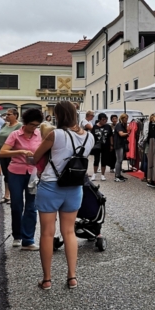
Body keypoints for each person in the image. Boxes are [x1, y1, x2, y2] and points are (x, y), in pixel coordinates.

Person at [33, 101, 95, 290]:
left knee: (47, 233)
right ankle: (72, 277)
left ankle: (47, 280)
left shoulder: (55, 134)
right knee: (69, 232)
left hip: (51, 185)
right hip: (75, 187)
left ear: (59, 115)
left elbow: (35, 157)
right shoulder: (89, 137)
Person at [0, 108, 43, 250]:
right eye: (31, 124)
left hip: (33, 173)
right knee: (17, 205)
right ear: (25, 122)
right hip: (16, 172)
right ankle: (17, 236)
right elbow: (2, 153)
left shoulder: (40, 135)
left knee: (31, 206)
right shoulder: (15, 134)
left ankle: (28, 239)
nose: (33, 128)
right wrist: (20, 151)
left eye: (36, 125)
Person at [0, 109, 22, 204]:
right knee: (6, 175)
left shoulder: (19, 126)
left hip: (11, 154)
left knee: (13, 176)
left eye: (9, 114)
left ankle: (14, 196)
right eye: (6, 114)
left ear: (15, 115)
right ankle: (6, 196)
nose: (6, 116)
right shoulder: (4, 125)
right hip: (2, 153)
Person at [91, 113, 112, 181]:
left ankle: (103, 175)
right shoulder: (94, 127)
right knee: (96, 159)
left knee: (104, 160)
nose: (104, 121)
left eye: (105, 119)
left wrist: (112, 145)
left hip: (106, 145)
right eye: (103, 120)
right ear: (99, 120)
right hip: (97, 146)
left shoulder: (108, 127)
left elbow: (111, 136)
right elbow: (91, 137)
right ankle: (94, 174)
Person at [146, 113, 155, 188]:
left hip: (152, 141)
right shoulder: (154, 124)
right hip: (153, 142)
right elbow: (154, 134)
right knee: (153, 160)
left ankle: (150, 178)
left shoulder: (150, 124)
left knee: (152, 160)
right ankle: (151, 179)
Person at [114, 113, 129, 182]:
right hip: (118, 144)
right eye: (125, 118)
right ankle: (117, 176)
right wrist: (128, 133)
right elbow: (121, 134)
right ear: (122, 118)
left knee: (120, 160)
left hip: (122, 144)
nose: (126, 120)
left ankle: (119, 174)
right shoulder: (119, 125)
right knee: (119, 160)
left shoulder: (123, 125)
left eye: (127, 118)